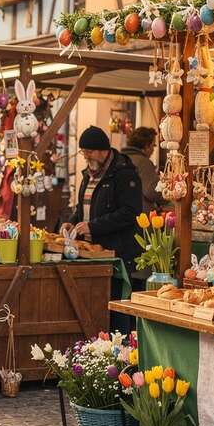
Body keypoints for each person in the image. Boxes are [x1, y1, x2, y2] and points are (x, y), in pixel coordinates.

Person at [65, 126, 143, 332]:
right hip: (95, 252)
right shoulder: (88, 175)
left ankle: (123, 348)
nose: (85, 156)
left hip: (118, 251)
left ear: (102, 150)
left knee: (117, 306)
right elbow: (85, 207)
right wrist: (73, 221)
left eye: (88, 151)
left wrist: (93, 226)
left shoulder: (124, 174)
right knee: (97, 304)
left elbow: (130, 212)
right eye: (83, 152)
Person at [121, 127, 166, 213]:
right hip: (140, 217)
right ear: (146, 146)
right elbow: (152, 192)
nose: (153, 150)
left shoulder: (120, 159)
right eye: (153, 145)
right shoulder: (143, 162)